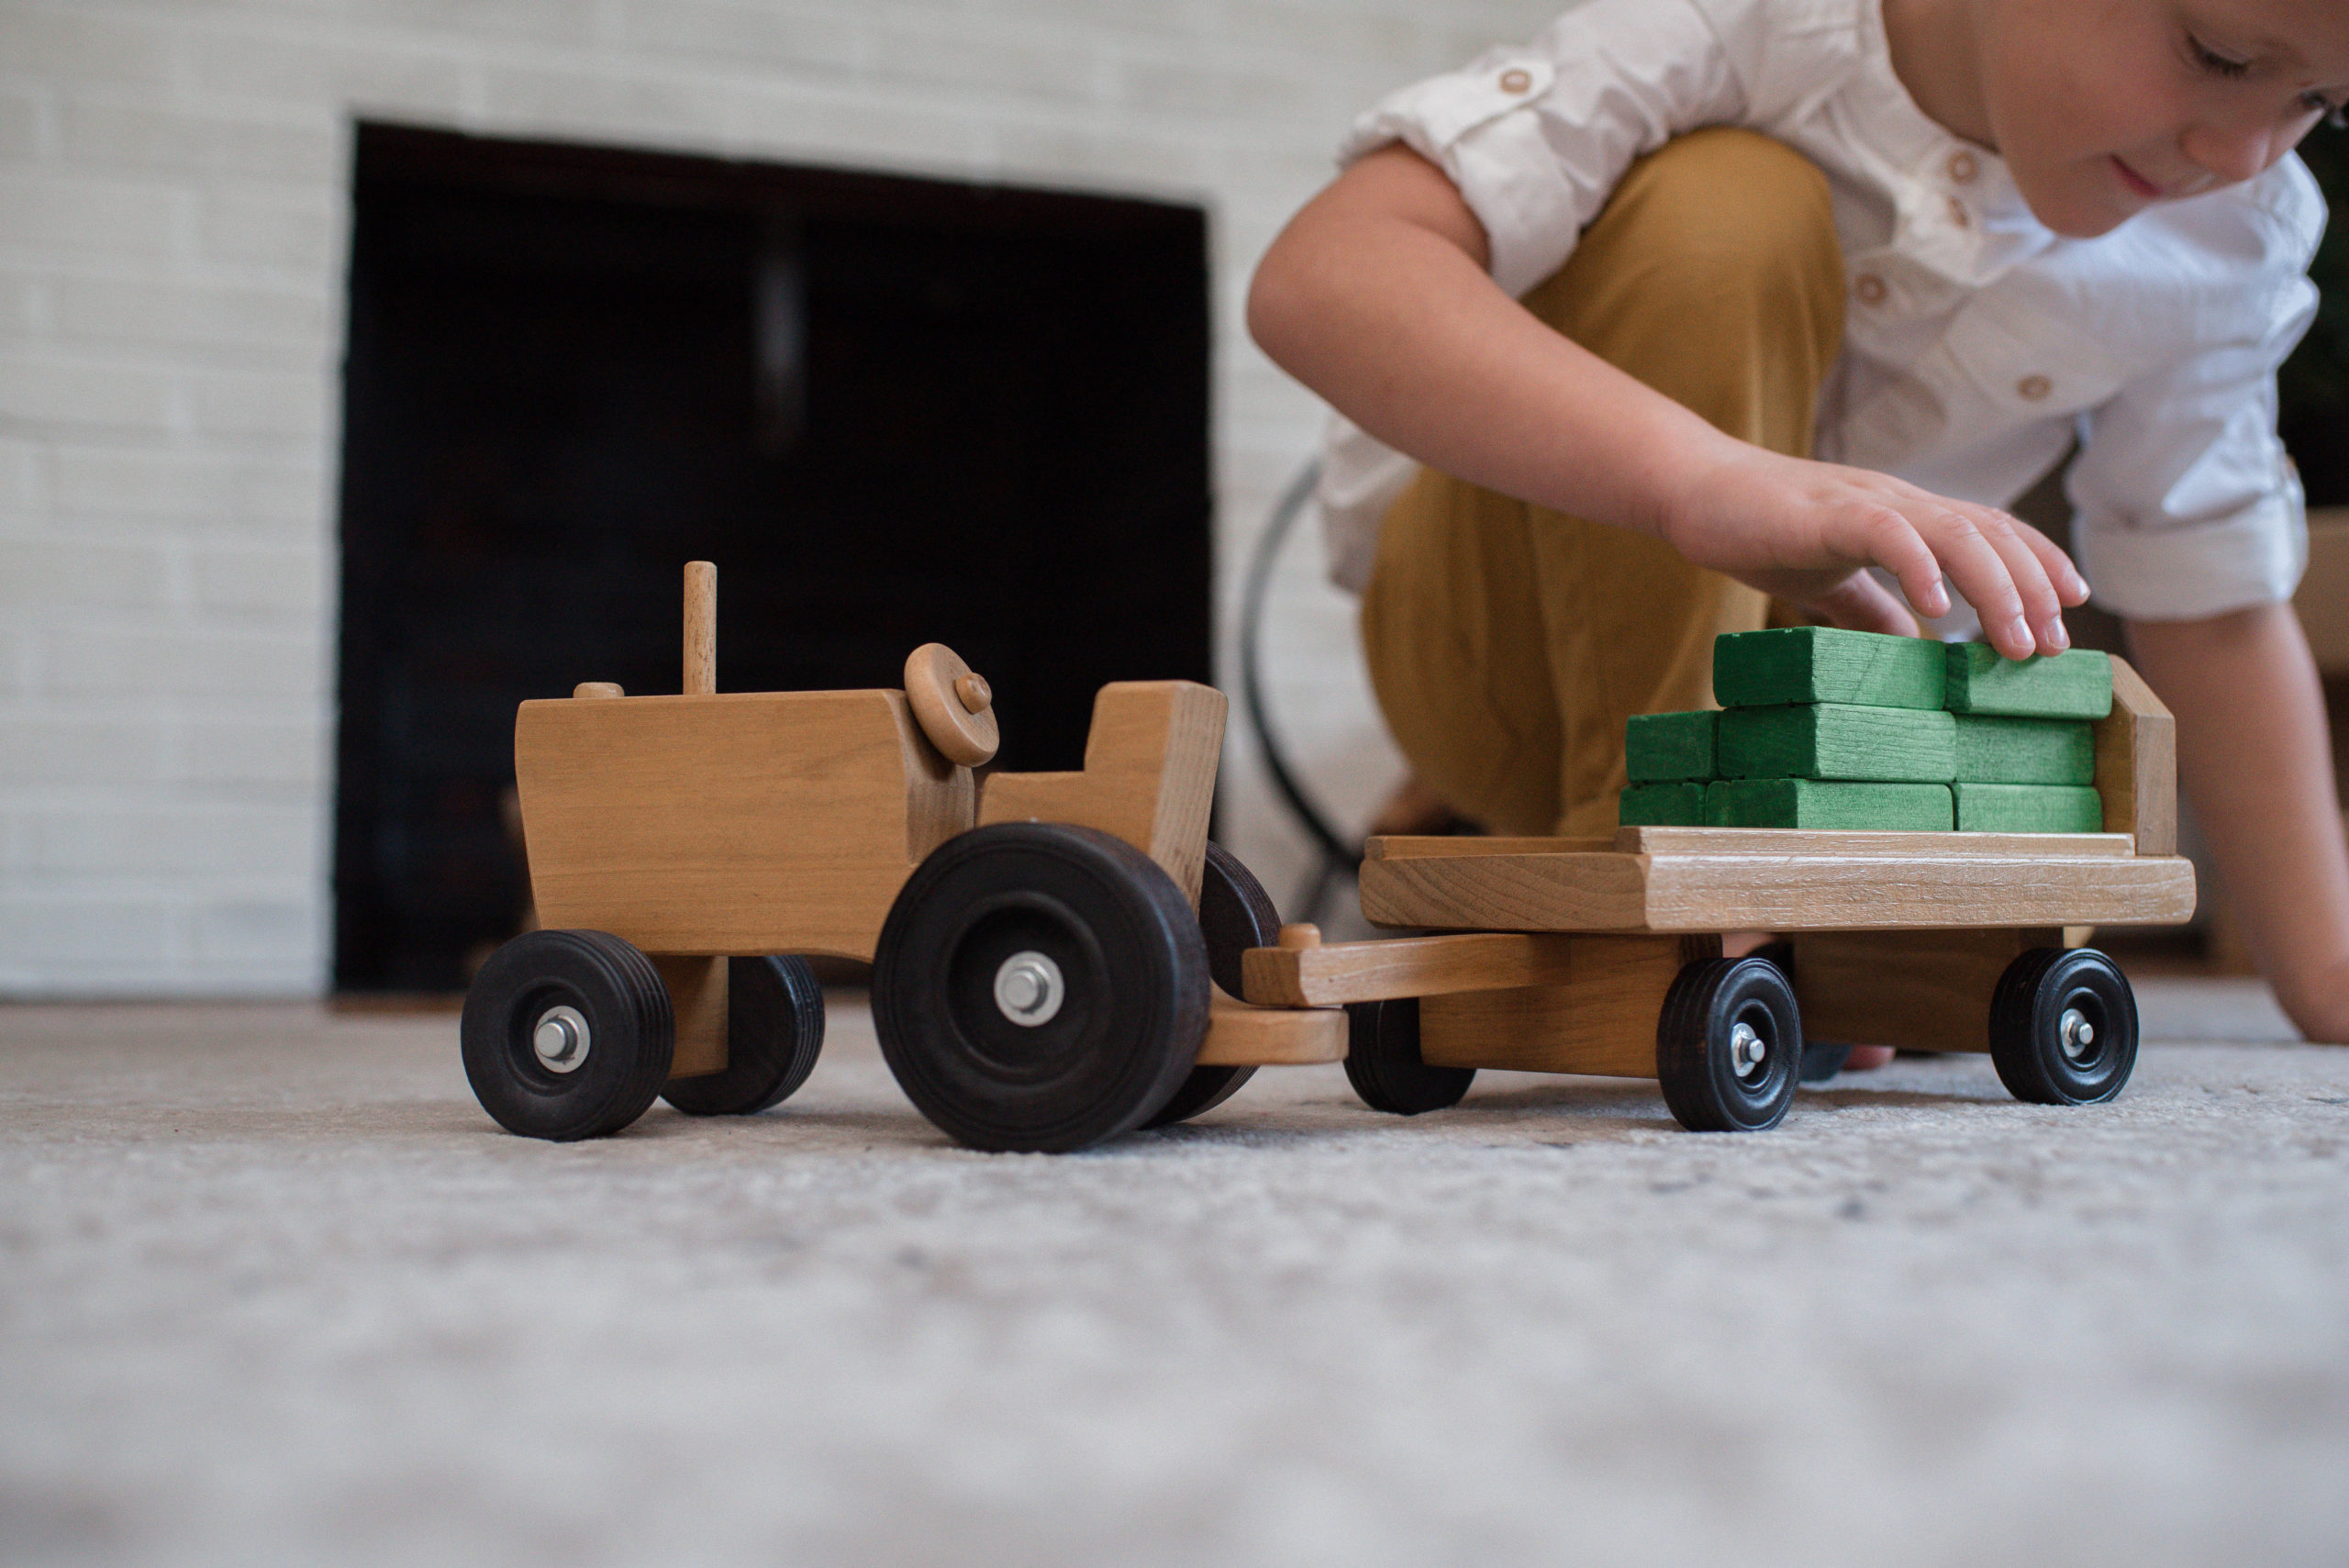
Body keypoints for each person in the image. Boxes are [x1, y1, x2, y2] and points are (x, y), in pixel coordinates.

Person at [1248, 0, 2349, 1047]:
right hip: (1493, 643)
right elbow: (1324, 272)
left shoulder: (2229, 233)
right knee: (1728, 201)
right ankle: (1657, 865)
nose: (2244, 150)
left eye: (2318, 102)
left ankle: (1774, 886)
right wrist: (1702, 477)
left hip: (1823, 728)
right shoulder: (1747, 27)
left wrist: (2328, 968)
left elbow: (2211, 604)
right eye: (2216, 53)